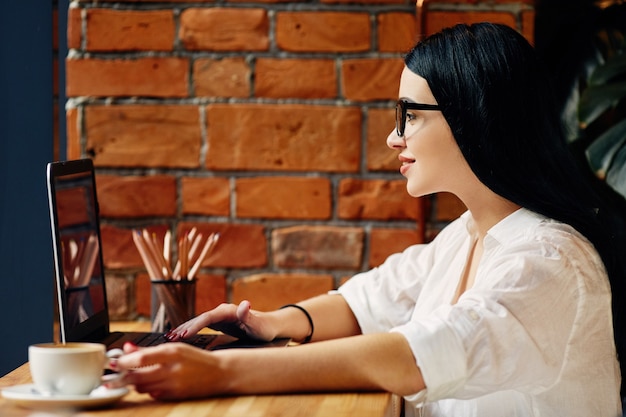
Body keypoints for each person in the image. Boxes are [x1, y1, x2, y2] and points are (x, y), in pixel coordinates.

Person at [110, 22, 626, 416]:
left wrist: (220, 371)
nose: (393, 137)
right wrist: (270, 323)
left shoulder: (549, 261)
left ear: (476, 116)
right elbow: (369, 302)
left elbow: (417, 355)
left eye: (410, 114)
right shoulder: (470, 234)